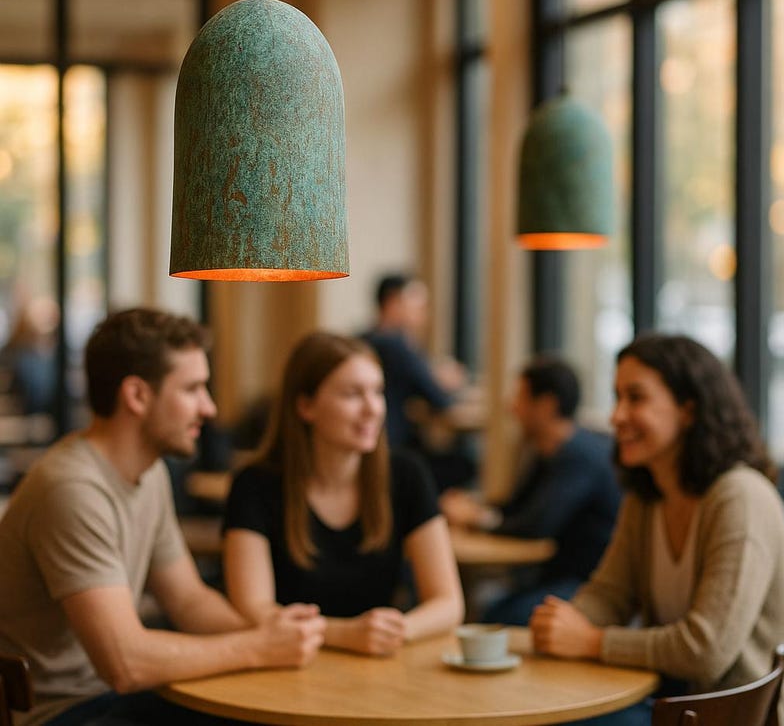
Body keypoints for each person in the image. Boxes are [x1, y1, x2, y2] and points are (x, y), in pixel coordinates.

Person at [0, 308, 326, 726]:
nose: (208, 408)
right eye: (192, 389)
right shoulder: (72, 489)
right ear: (136, 395)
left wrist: (269, 628)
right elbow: (125, 663)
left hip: (107, 698)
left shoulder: (148, 471)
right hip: (58, 714)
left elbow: (189, 600)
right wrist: (258, 647)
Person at [529, 334, 784, 726]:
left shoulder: (740, 496)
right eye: (617, 397)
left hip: (733, 715)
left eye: (635, 398)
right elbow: (610, 594)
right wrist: (564, 624)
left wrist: (590, 641)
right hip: (673, 701)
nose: (616, 416)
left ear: (688, 410)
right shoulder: (647, 494)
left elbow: (705, 651)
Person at [223, 331, 464, 656]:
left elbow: (449, 603)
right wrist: (343, 634)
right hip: (285, 668)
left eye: (377, 392)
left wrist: (389, 632)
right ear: (306, 406)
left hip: (376, 671)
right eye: (352, 394)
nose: (372, 409)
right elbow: (253, 609)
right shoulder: (254, 484)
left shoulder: (406, 474)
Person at [441, 356, 621, 624]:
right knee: (488, 606)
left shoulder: (578, 457)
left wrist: (476, 518)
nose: (512, 407)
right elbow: (516, 506)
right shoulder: (547, 450)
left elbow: (537, 525)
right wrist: (475, 508)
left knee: (496, 616)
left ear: (546, 405)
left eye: (520, 398)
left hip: (589, 583)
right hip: (556, 573)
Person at [361, 273, 475, 491]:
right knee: (466, 462)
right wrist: (448, 382)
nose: (424, 314)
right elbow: (440, 400)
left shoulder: (364, 339)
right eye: (417, 305)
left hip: (373, 444)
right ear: (393, 303)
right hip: (392, 449)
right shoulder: (396, 345)